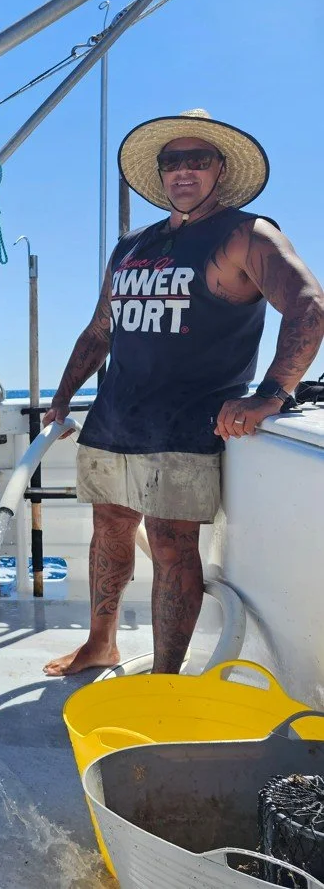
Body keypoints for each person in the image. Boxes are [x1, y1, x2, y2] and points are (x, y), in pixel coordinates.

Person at [42, 109, 324, 677]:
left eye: (199, 160)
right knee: (108, 531)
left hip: (187, 424)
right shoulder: (131, 247)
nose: (184, 172)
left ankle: (166, 676)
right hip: (114, 417)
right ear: (161, 173)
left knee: (171, 547)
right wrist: (62, 397)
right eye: (173, 161)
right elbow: (101, 330)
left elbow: (308, 306)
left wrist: (271, 392)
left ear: (220, 170)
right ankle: (101, 643)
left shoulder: (246, 234)